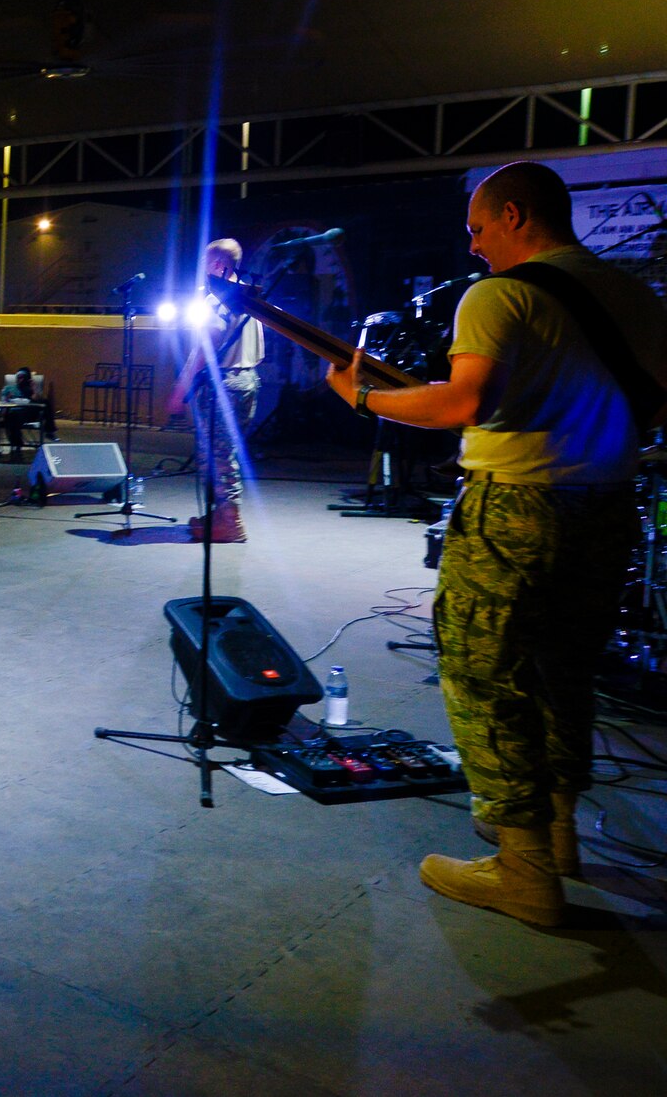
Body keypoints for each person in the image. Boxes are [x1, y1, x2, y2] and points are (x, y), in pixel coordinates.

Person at [327, 161, 667, 927]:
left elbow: (462, 402)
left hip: (516, 505)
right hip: (605, 506)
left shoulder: (499, 294)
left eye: (479, 229)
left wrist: (364, 396)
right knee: (565, 668)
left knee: (484, 673)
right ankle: (555, 834)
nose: (475, 247)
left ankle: (522, 870)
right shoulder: (637, 297)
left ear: (515, 216)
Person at [165, 239, 264, 543]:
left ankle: (230, 522)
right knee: (226, 452)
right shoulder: (250, 297)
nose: (203, 271)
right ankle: (220, 515)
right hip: (249, 381)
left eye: (206, 264)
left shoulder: (217, 301)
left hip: (226, 385)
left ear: (220, 265)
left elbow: (205, 347)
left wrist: (179, 390)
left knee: (219, 456)